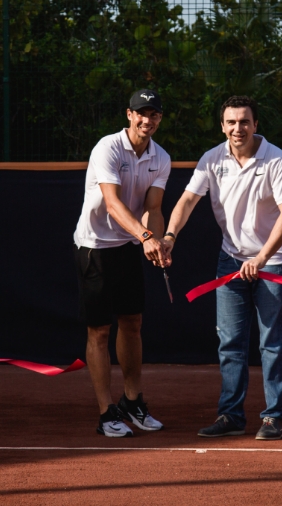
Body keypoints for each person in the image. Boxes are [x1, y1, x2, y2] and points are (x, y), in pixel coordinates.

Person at [162, 95, 282, 440]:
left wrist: (261, 259)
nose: (238, 128)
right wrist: (169, 237)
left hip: (272, 263)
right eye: (231, 122)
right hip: (230, 261)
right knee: (230, 342)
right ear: (222, 126)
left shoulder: (276, 160)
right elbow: (187, 201)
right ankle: (231, 416)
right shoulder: (212, 159)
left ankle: (272, 417)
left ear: (256, 125)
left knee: (271, 342)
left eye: (245, 122)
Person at [74, 88, 171, 437]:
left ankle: (132, 401)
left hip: (130, 244)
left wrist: (156, 242)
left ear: (160, 118)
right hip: (95, 246)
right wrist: (145, 236)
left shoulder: (161, 158)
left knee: (132, 322)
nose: (148, 120)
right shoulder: (108, 147)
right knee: (99, 330)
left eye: (154, 114)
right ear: (128, 115)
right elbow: (113, 205)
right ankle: (106, 412)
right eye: (141, 113)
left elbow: (155, 209)